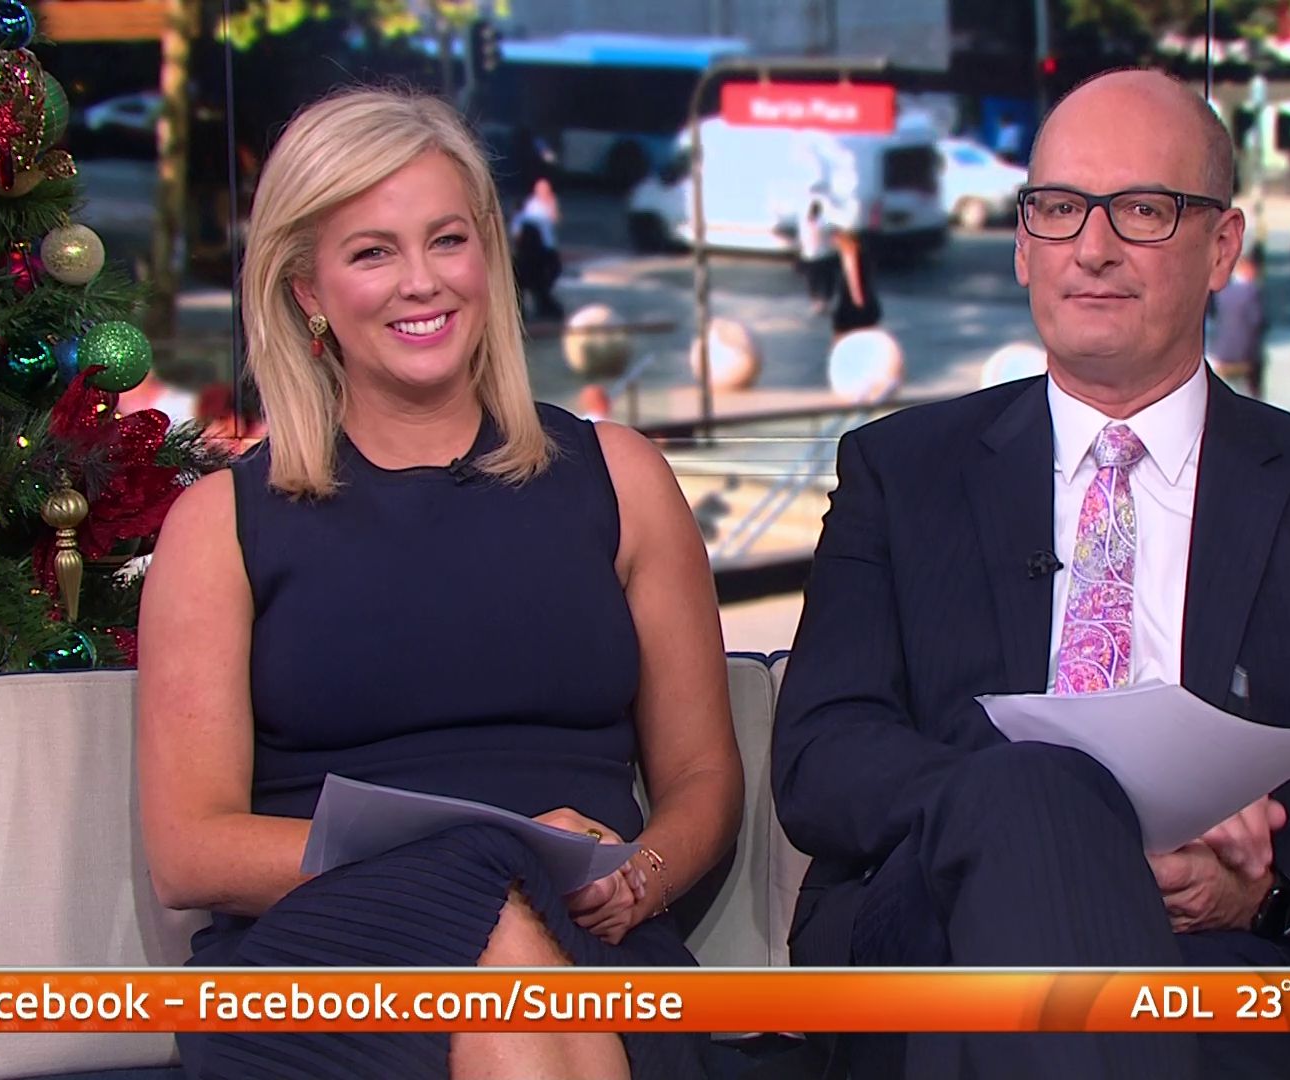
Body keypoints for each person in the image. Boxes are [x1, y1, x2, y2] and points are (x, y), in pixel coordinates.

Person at [772, 69, 1290, 1079]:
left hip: (1227, 965)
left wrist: (1268, 891)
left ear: (1223, 247)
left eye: (1144, 210)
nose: (1093, 246)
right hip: (940, 936)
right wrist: (1067, 824)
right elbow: (822, 759)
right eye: (1059, 208)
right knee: (1033, 797)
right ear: (1024, 243)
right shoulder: (901, 473)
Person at [136, 88, 742, 1080]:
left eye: (447, 241)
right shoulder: (220, 525)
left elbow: (704, 776)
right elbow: (190, 851)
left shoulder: (621, 479)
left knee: (512, 934)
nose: (421, 282)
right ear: (307, 290)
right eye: (373, 253)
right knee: (487, 898)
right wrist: (493, 852)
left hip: (591, 931)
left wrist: (640, 873)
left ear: (488, 256)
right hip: (322, 955)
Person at [1208, 251, 1267, 397]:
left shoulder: (1222, 292)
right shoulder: (1251, 292)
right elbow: (1257, 321)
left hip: (1221, 354)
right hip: (1244, 355)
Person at [510, 176, 564, 322]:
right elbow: (517, 234)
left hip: (543, 254)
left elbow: (554, 221)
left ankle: (543, 307)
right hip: (532, 255)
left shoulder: (547, 206)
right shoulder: (530, 209)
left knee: (540, 287)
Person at [830, 227, 882, 339]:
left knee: (843, 335)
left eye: (834, 238)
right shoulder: (862, 251)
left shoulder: (848, 251)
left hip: (851, 303)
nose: (833, 242)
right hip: (867, 298)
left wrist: (857, 300)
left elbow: (852, 275)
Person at [798, 197, 839, 312]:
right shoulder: (825, 223)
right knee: (828, 279)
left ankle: (815, 302)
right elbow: (833, 236)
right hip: (824, 256)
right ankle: (825, 302)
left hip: (808, 256)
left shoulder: (804, 222)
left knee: (813, 281)